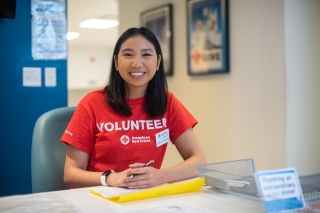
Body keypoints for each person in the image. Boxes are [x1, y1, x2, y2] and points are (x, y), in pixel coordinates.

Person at [61, 27, 207, 189]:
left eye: (146, 55)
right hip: (98, 197)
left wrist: (161, 176)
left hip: (142, 198)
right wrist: (109, 178)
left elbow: (199, 161)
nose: (137, 63)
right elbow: (71, 174)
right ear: (116, 61)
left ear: (158, 62)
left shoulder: (168, 102)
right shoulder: (92, 103)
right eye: (128, 54)